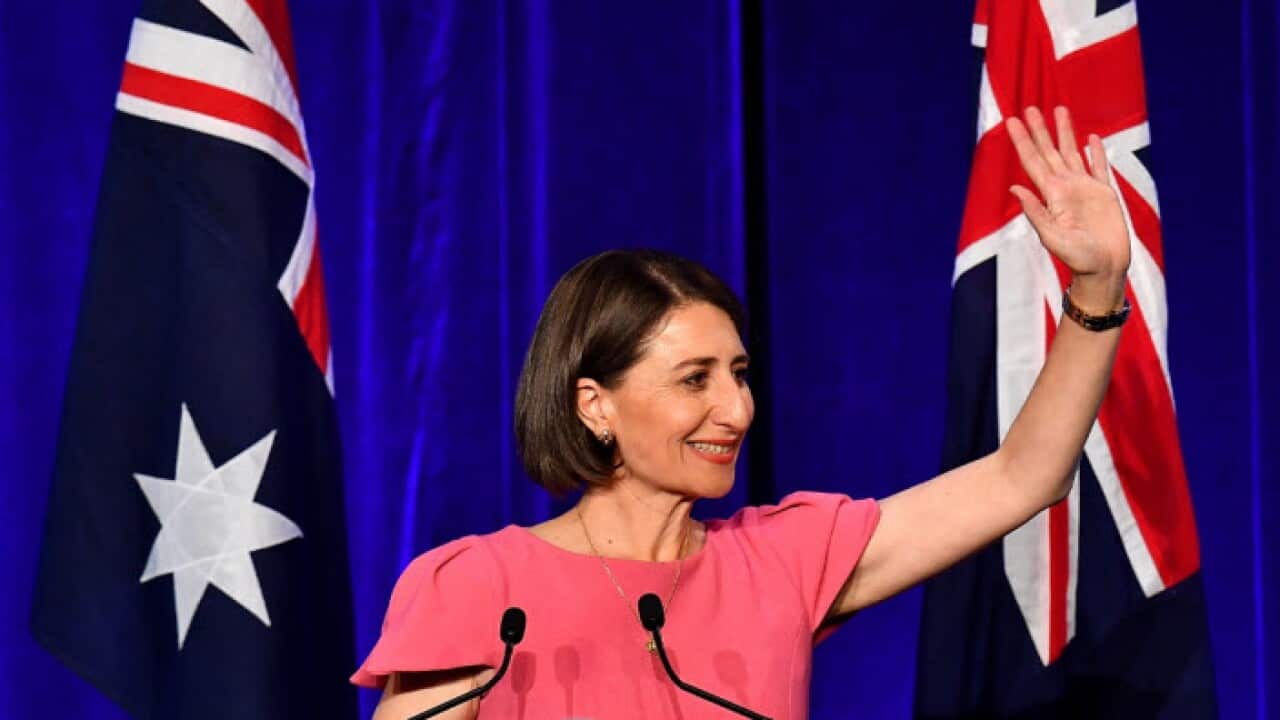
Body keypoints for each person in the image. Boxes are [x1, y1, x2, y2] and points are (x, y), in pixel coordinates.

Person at [353, 106, 1132, 719]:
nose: (735, 409)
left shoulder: (782, 561)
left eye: (739, 374)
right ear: (595, 405)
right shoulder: (478, 588)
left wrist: (1097, 289)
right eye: (694, 380)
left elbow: (1022, 477)